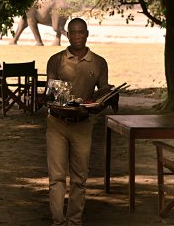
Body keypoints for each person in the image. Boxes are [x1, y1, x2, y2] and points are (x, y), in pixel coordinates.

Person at [46, 17, 111, 226]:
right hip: (56, 123)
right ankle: (58, 221)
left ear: (87, 34)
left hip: (83, 124)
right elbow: (51, 93)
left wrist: (103, 101)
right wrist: (47, 98)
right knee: (56, 177)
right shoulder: (55, 60)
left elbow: (102, 94)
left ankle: (74, 222)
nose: (76, 37)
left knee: (79, 179)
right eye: (72, 33)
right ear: (67, 35)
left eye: (80, 32)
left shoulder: (99, 62)